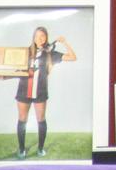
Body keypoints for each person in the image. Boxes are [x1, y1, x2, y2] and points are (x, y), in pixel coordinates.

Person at [13, 27, 77, 159]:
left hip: (40, 92)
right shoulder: (25, 52)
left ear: (46, 38)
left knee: (41, 119)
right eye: (37, 36)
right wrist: (3, 77)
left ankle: (40, 148)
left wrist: (65, 42)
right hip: (23, 91)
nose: (40, 39)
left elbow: (73, 57)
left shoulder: (50, 54)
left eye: (43, 36)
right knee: (22, 119)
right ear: (33, 38)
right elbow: (15, 70)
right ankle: (22, 149)